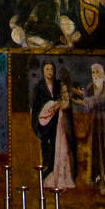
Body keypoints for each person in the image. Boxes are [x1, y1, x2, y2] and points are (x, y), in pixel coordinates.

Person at [74, 63, 105, 197]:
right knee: (98, 151)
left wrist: (86, 100)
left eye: (97, 72)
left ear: (102, 73)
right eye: (93, 72)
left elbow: (103, 99)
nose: (94, 75)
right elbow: (87, 108)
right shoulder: (90, 87)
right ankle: (99, 180)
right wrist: (83, 100)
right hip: (96, 123)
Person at [31, 61, 76, 189]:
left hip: (58, 123)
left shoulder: (58, 85)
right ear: (43, 71)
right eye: (47, 69)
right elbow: (36, 106)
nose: (50, 72)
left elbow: (65, 98)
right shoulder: (39, 87)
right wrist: (49, 106)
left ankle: (56, 176)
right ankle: (46, 177)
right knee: (47, 149)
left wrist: (57, 103)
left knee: (59, 149)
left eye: (51, 69)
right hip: (45, 124)